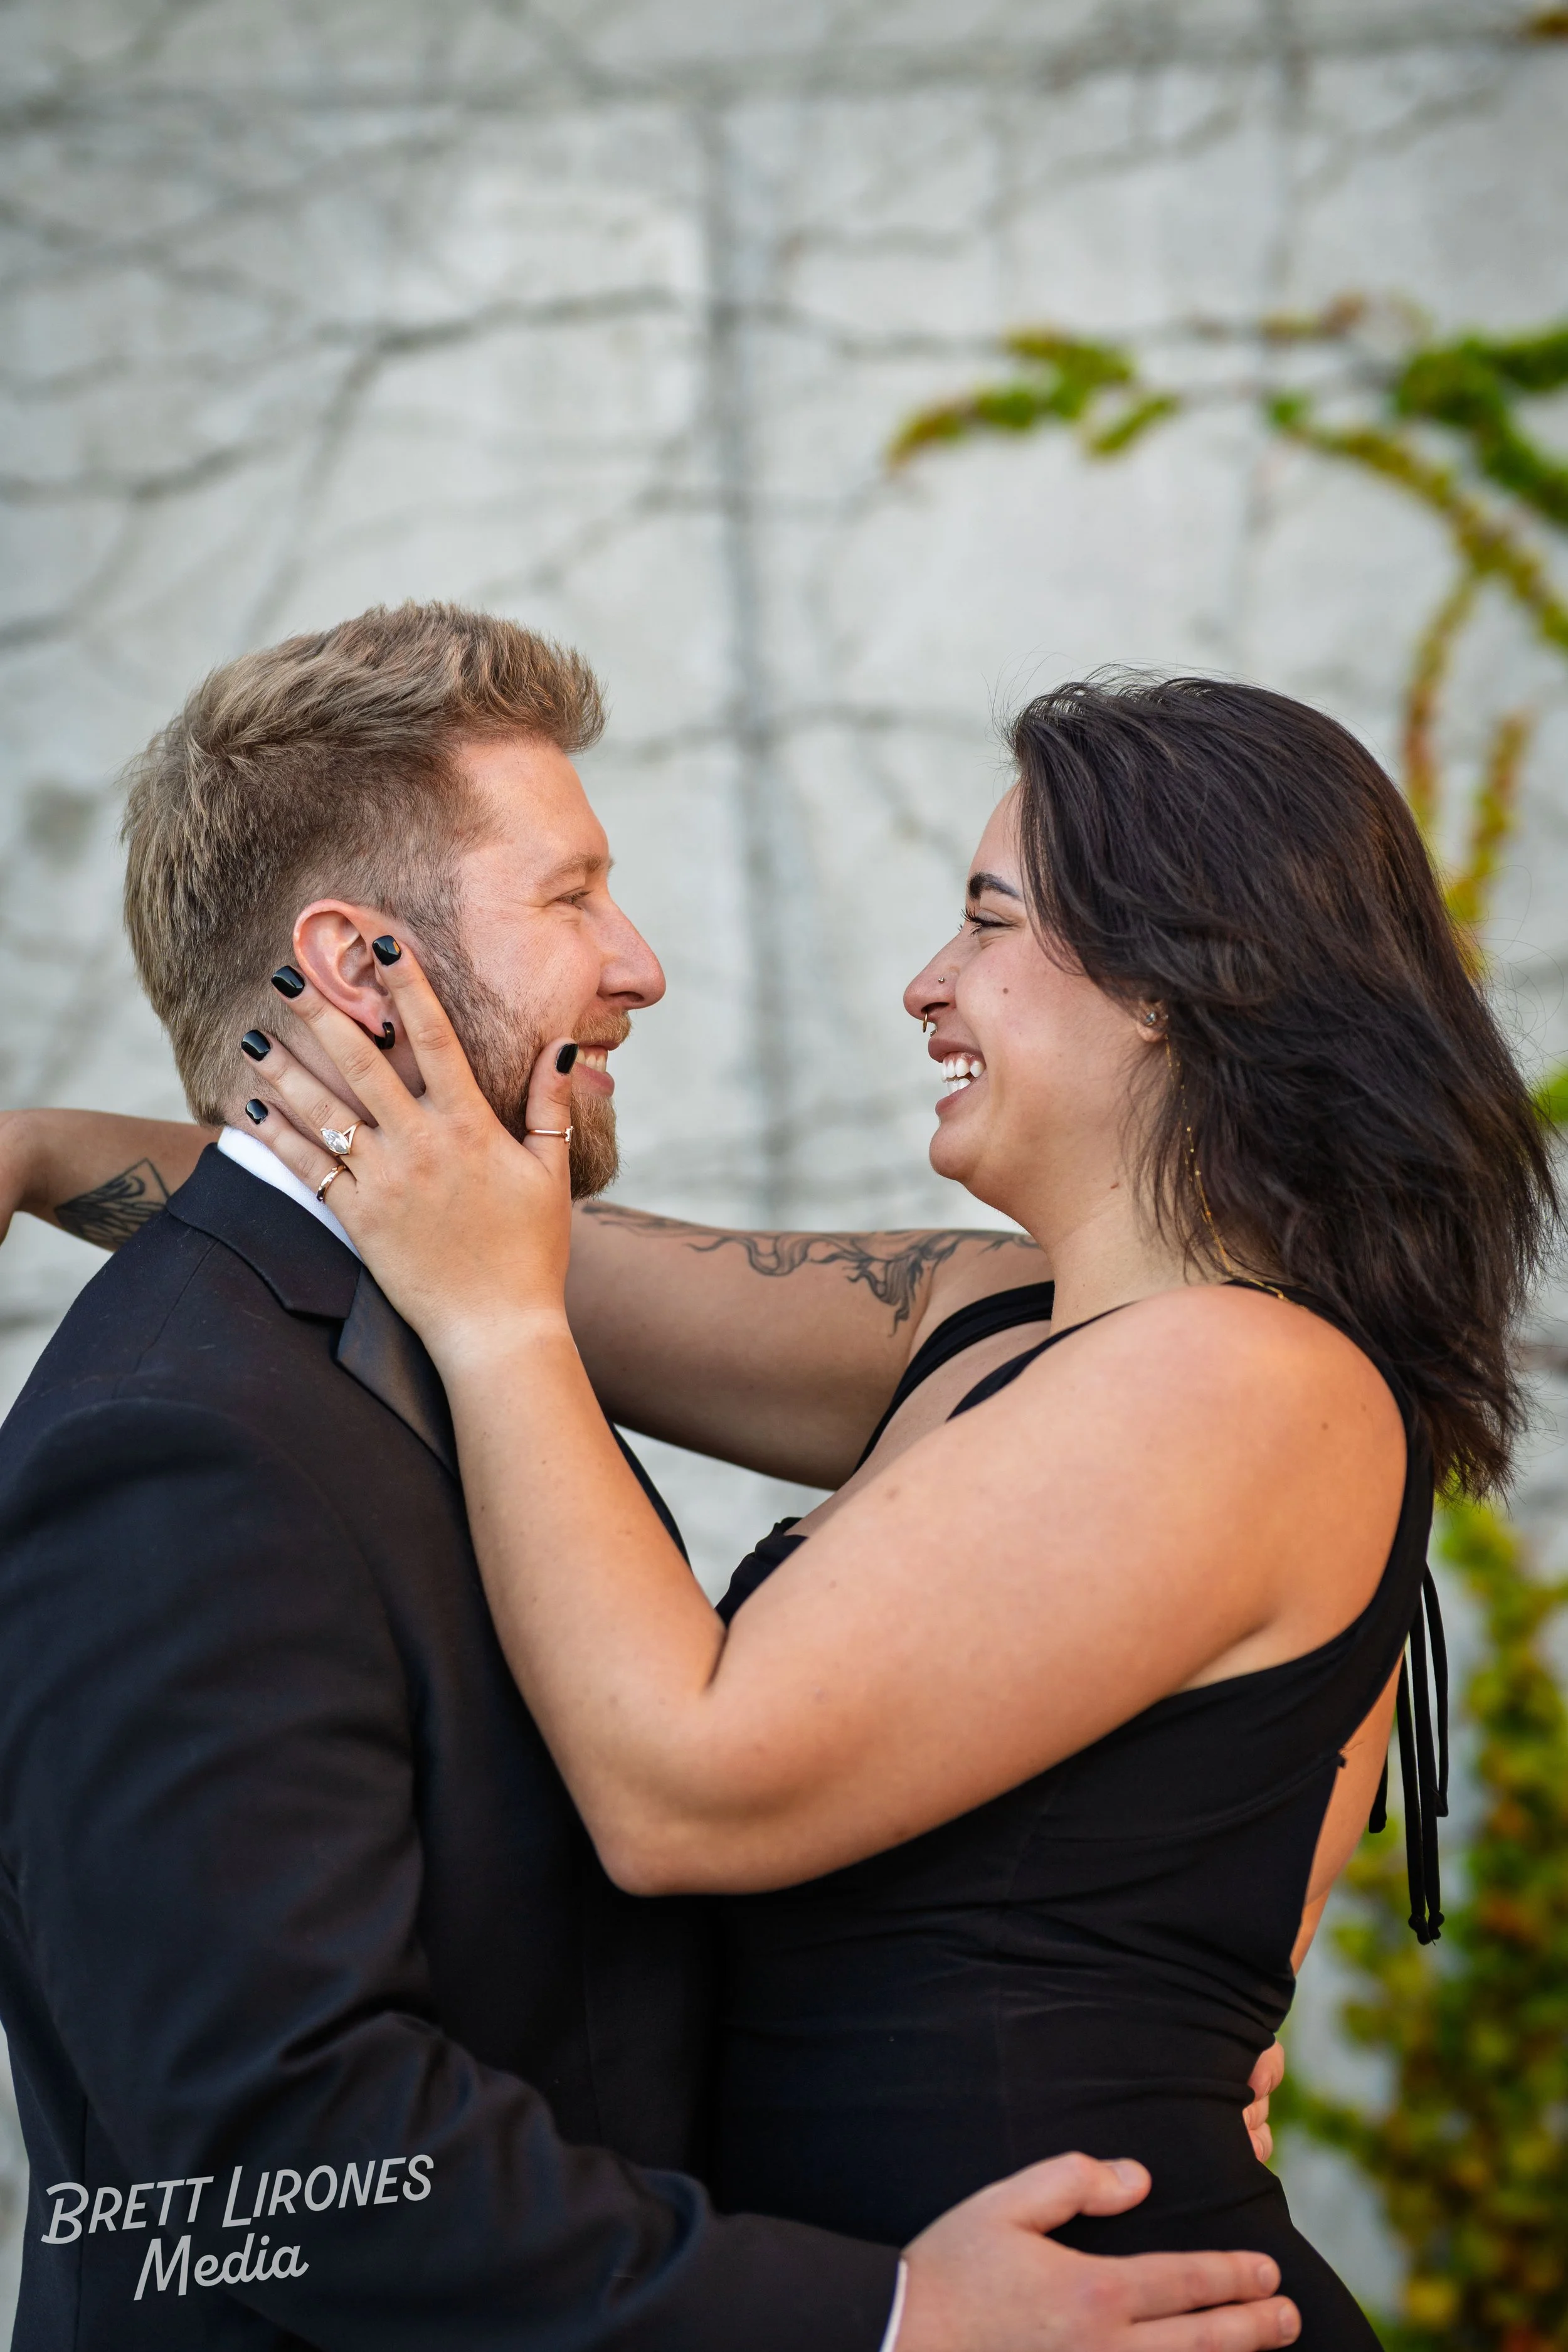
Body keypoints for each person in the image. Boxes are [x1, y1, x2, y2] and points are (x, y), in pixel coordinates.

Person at [0, 607, 1301, 2352]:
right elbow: (265, 2162)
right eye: (571, 894)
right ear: (355, 964)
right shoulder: (184, 1440)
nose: (639, 963)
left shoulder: (469, 1304)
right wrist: (890, 2315)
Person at [217, 672, 1554, 2345]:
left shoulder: (1244, 1380)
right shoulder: (991, 1317)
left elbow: (677, 1784)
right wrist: (50, 1156)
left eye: (986, 921)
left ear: (1176, 975)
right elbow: (426, 1217)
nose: (927, 985)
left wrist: (498, 1324)